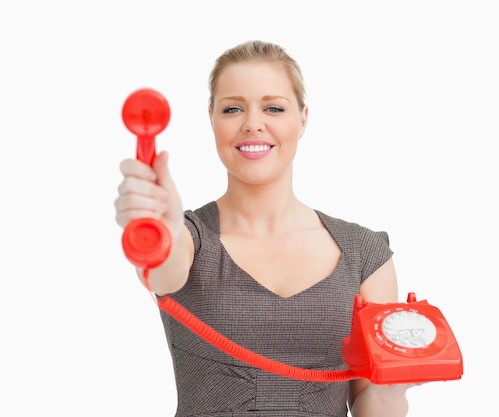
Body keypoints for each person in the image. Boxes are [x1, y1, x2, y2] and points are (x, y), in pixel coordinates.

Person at [115, 40, 412, 417]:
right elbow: (164, 270)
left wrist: (393, 388)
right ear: (211, 118)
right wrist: (164, 226)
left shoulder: (365, 255)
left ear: (303, 119)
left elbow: (373, 405)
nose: (253, 123)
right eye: (233, 108)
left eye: (273, 107)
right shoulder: (188, 238)